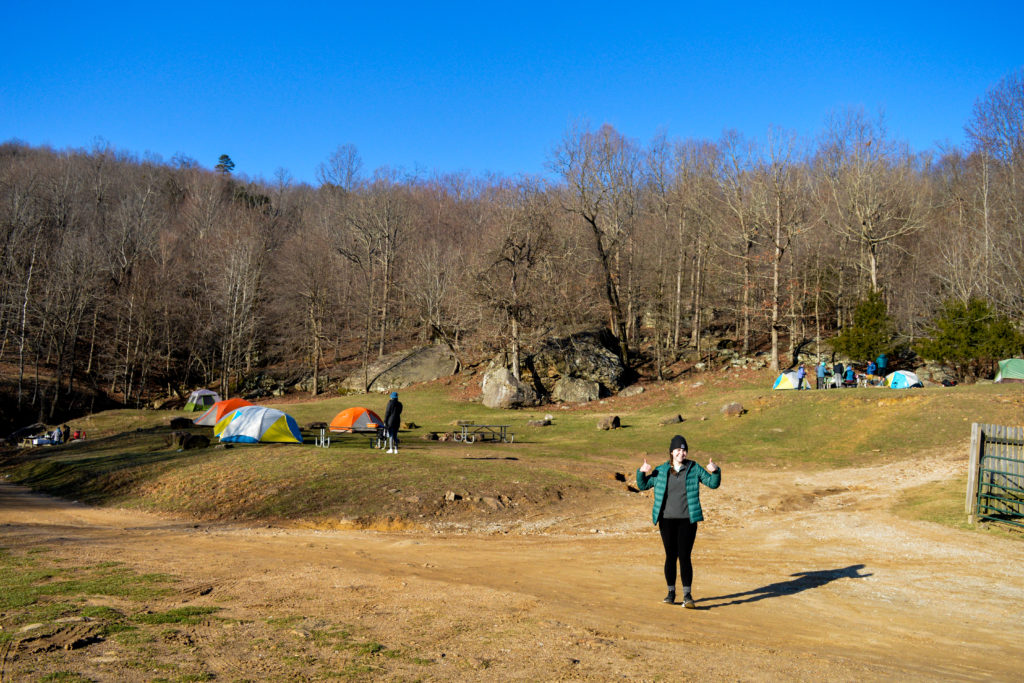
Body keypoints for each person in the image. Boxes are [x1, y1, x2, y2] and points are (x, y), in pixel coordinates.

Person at [636, 435, 721, 609]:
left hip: (687, 521)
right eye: (678, 450)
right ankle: (670, 593)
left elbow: (712, 484)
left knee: (684, 557)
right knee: (670, 556)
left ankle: (687, 596)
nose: (681, 453)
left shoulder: (694, 468)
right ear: (671, 452)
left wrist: (716, 471)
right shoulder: (661, 470)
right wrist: (641, 471)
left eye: (684, 450)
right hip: (666, 521)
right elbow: (643, 485)